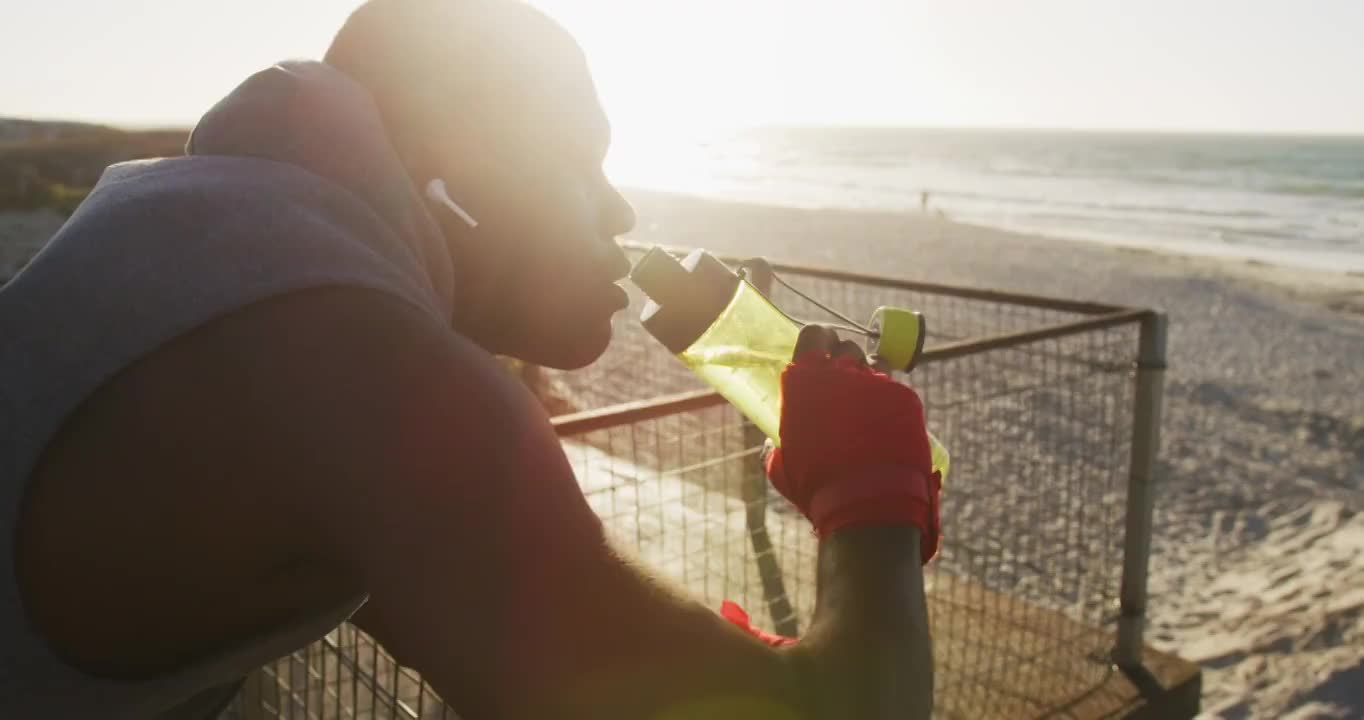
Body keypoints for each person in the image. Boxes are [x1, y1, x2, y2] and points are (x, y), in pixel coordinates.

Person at [0, 1, 939, 717]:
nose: (617, 212)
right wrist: (874, 483)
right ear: (461, 168)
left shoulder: (207, 235)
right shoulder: (369, 371)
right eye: (581, 160)